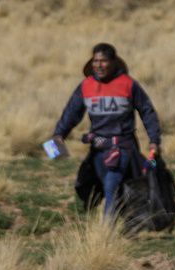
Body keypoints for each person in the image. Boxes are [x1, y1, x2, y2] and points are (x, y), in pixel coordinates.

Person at [52, 42, 162, 217]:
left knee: (112, 184)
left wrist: (154, 141)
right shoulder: (86, 86)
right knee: (97, 186)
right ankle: (127, 221)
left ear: (113, 62)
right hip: (97, 150)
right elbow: (71, 113)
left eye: (103, 61)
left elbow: (147, 112)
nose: (98, 65)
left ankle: (106, 234)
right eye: (95, 61)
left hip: (123, 149)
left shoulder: (128, 84)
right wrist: (59, 135)